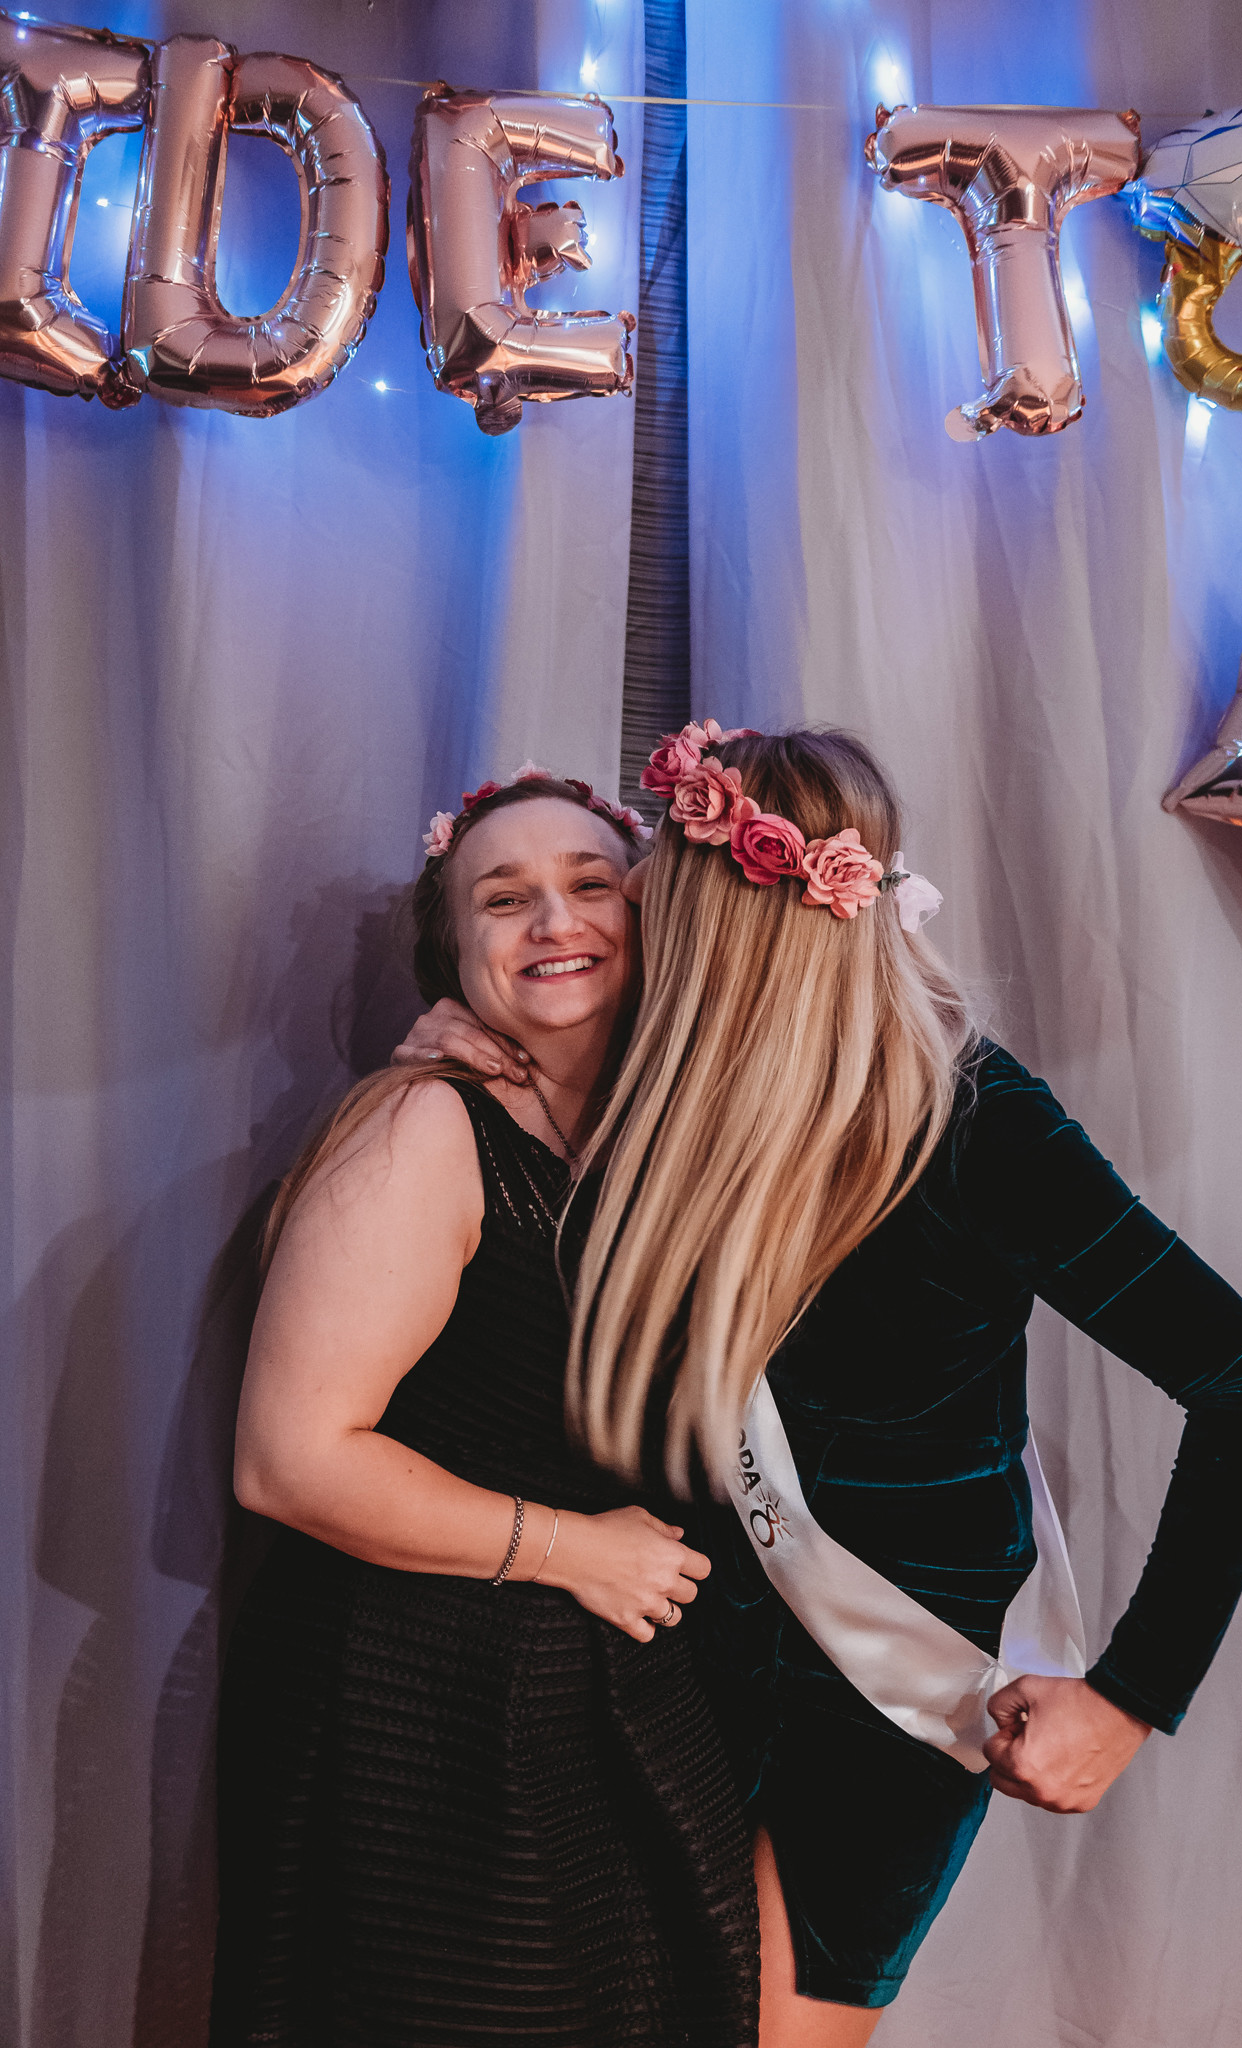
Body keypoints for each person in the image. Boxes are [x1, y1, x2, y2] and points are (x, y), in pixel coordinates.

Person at [397, 722, 1242, 2048]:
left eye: (647, 883)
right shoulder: (659, 1088)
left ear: (713, 916)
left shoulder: (970, 1112)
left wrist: (1128, 1699)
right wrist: (467, 1042)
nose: (626, 910)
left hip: (874, 1690)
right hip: (662, 1660)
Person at [211, 772, 759, 2048]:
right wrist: (576, 1550)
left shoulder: (666, 1130)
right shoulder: (424, 1127)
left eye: (590, 884)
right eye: (503, 900)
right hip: (417, 1709)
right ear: (454, 957)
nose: (555, 920)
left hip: (606, 1689)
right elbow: (289, 1458)